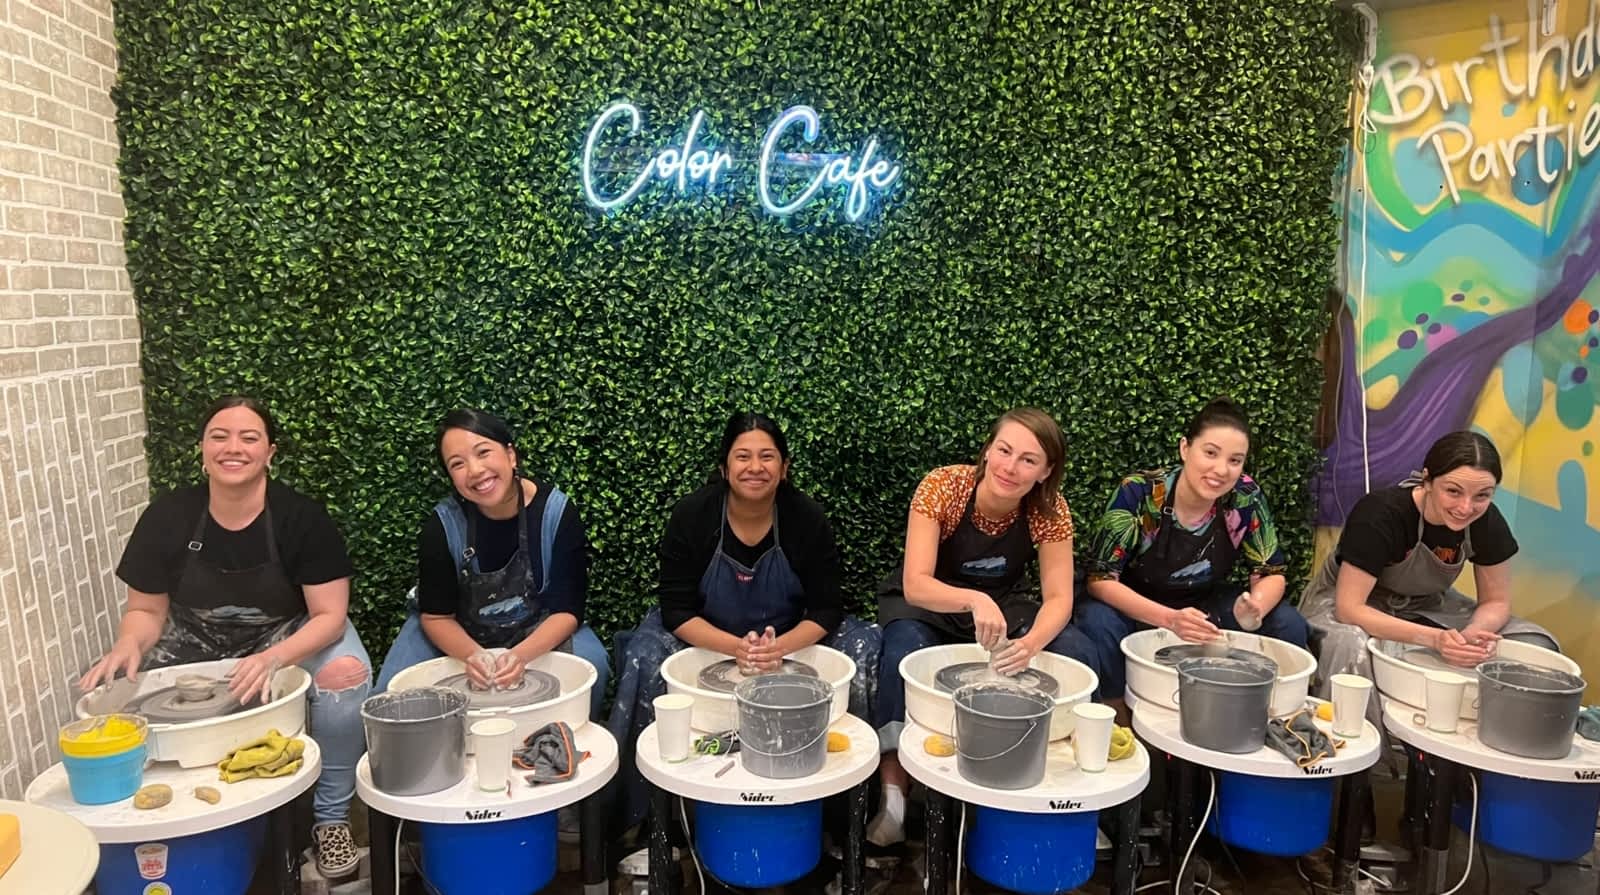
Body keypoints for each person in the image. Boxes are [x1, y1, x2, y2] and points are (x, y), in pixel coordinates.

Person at [79, 396, 372, 879]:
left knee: (345, 675)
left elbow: (329, 617)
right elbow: (146, 610)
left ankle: (331, 819)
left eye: (249, 438)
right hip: (193, 636)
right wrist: (128, 644)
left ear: (269, 452)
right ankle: (165, 819)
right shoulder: (168, 516)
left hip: (284, 634)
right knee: (118, 695)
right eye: (219, 436)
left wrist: (274, 658)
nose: (233, 448)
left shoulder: (301, 518)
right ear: (202, 448)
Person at [606, 411, 881, 834]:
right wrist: (735, 647)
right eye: (743, 456)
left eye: (767, 457)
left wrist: (780, 647)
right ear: (724, 467)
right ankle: (648, 823)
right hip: (705, 636)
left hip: (788, 637)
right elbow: (676, 610)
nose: (755, 467)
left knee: (864, 645)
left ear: (784, 468)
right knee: (644, 653)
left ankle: (844, 820)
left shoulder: (805, 518)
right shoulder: (693, 515)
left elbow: (827, 609)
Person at [869, 407, 1093, 847]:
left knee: (1074, 649)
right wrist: (973, 600)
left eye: (1028, 460)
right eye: (1004, 451)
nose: (1011, 467)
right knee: (902, 649)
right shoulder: (943, 486)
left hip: (1004, 605)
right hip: (932, 602)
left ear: (1046, 471)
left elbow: (1059, 599)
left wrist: (1030, 644)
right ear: (988, 450)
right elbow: (916, 583)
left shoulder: (1050, 509)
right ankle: (894, 797)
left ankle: (1068, 790)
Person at [373, 409, 609, 719]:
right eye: (457, 464)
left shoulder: (555, 513)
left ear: (511, 455)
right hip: (456, 630)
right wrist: (473, 655)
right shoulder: (443, 525)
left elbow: (567, 611)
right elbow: (436, 616)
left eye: (483, 452)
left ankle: (562, 742)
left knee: (593, 663)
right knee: (389, 697)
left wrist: (520, 656)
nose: (475, 470)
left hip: (536, 627)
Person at [1075, 398, 1309, 710]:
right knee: (1097, 620)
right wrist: (1169, 619)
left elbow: (1270, 572)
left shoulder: (1244, 496)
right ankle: (1117, 717)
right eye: (1210, 453)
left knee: (1287, 622)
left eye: (1235, 460)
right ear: (1185, 448)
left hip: (1204, 601)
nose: (1221, 470)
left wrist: (1255, 609)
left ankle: (1270, 714)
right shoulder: (1140, 491)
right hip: (1135, 602)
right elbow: (1100, 580)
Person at [1302, 430, 1557, 688]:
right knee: (1350, 644)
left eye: (1482, 495)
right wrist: (1435, 639)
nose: (1466, 508)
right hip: (1353, 603)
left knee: (1535, 643)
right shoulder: (1380, 514)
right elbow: (1349, 609)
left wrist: (1472, 635)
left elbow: (1496, 601)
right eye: (1453, 491)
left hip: (1429, 604)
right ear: (1427, 481)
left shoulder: (1486, 520)